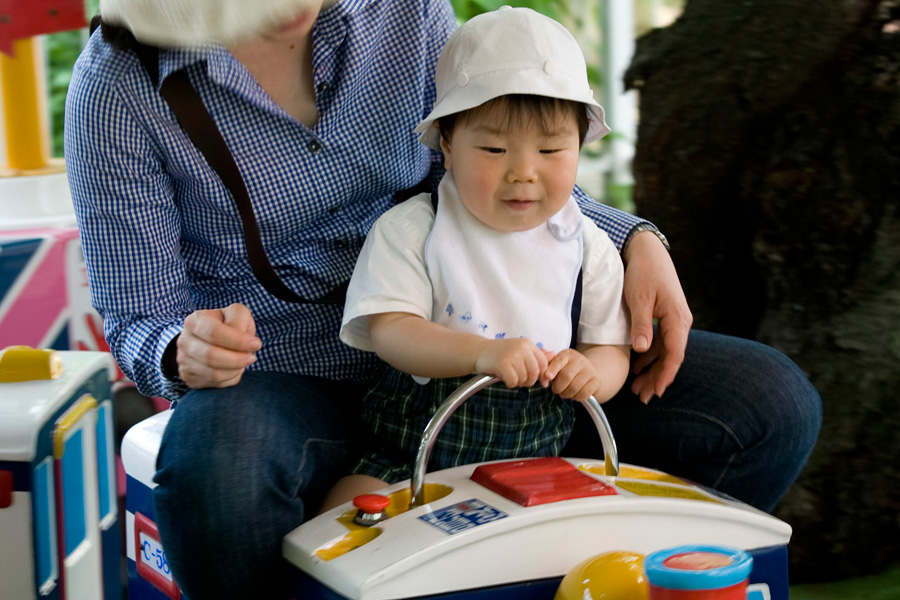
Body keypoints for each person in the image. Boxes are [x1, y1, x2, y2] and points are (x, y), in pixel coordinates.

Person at [63, 0, 822, 598]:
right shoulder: (122, 81)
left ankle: (574, 575)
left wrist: (631, 238)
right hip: (286, 366)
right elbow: (138, 317)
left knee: (769, 404)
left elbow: (504, 143)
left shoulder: (405, 9)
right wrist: (184, 349)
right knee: (216, 471)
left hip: (501, 349)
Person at [324, 7, 632, 506]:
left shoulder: (588, 246)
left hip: (534, 463)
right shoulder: (414, 229)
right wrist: (481, 353)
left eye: (551, 152)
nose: (524, 173)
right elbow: (391, 330)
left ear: (580, 146)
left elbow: (612, 347)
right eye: (493, 149)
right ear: (447, 144)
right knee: (350, 511)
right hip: (408, 455)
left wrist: (592, 373)